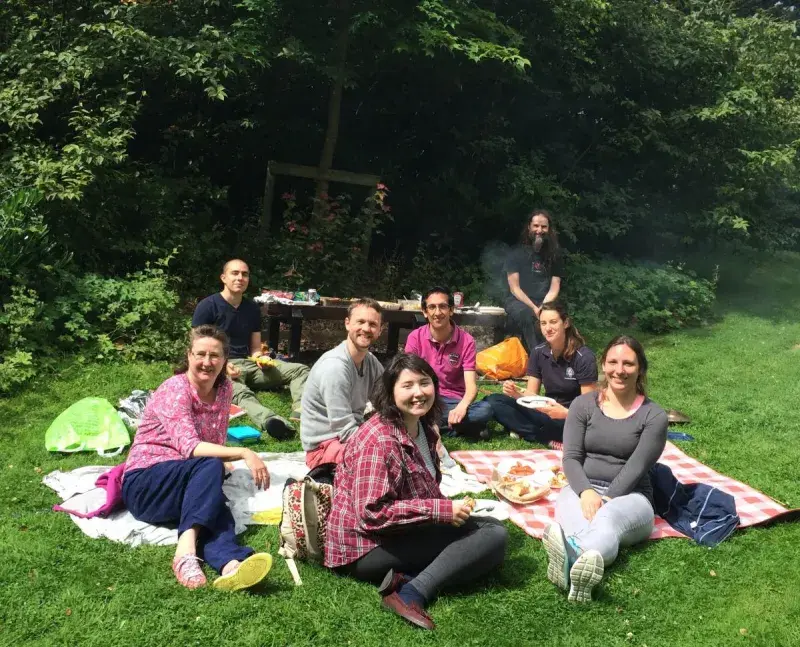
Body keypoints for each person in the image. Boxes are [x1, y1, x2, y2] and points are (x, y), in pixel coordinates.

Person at [325, 353, 508, 630]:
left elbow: (421, 489)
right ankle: (411, 590)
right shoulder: (379, 440)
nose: (418, 393)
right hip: (363, 547)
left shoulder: (422, 428)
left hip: (394, 533)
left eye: (424, 383)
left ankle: (407, 576)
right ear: (389, 392)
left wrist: (445, 512)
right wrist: (440, 511)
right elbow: (371, 514)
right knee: (492, 536)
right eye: (407, 386)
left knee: (490, 532)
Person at [122, 325, 273, 591]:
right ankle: (185, 551)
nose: (206, 362)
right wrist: (243, 452)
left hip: (185, 481)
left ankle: (230, 564)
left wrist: (216, 466)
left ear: (225, 359)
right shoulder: (175, 390)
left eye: (214, 356)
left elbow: (213, 443)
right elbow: (191, 447)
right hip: (146, 486)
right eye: (200, 354)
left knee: (213, 501)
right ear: (189, 356)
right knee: (209, 469)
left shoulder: (225, 389)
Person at [542, 335, 668, 603]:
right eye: (612, 362)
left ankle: (571, 557)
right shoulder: (583, 405)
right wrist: (586, 491)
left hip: (631, 498)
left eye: (628, 364)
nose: (619, 370)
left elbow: (637, 467)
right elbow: (571, 457)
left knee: (607, 520)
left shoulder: (653, 416)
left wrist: (607, 499)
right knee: (578, 519)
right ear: (603, 364)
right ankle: (578, 566)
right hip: (580, 488)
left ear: (640, 369)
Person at [192, 259, 309, 440]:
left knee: (300, 369)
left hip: (248, 364)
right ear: (223, 277)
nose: (240, 278)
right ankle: (272, 421)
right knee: (239, 392)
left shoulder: (252, 308)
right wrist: (222, 366)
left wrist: (261, 359)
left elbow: (255, 347)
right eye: (235, 273)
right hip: (220, 365)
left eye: (244, 274)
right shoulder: (207, 306)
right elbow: (196, 349)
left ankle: (301, 410)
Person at [486, 300, 597, 447]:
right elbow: (532, 396)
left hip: (571, 417)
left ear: (566, 323)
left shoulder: (583, 357)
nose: (548, 328)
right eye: (543, 323)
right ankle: (542, 436)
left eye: (553, 322)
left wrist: (564, 413)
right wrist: (516, 394)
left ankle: (534, 434)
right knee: (495, 400)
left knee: (568, 427)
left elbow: (589, 408)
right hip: (546, 412)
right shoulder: (538, 352)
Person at [300, 298, 385, 472]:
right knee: (382, 461)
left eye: (372, 324)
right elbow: (344, 430)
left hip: (352, 434)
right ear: (347, 324)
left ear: (379, 331)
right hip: (324, 447)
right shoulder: (335, 367)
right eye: (360, 322)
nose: (366, 329)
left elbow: (388, 400)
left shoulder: (370, 362)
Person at [405, 287, 493, 437]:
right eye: (432, 307)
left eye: (443, 306)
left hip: (453, 402)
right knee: (402, 406)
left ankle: (428, 425)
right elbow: (408, 377)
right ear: (425, 312)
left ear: (451, 310)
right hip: (425, 397)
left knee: (485, 410)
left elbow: (471, 387)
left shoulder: (466, 341)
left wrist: (462, 407)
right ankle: (463, 428)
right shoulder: (415, 338)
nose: (437, 313)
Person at [504, 209, 564, 352]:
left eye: (544, 227)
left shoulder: (555, 255)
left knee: (558, 316)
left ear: (549, 230)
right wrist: (534, 308)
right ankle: (538, 360)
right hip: (518, 300)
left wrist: (543, 306)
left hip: (544, 301)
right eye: (536, 226)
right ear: (529, 227)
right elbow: (514, 288)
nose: (539, 230)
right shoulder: (516, 253)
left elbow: (554, 287)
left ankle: (562, 356)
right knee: (527, 315)